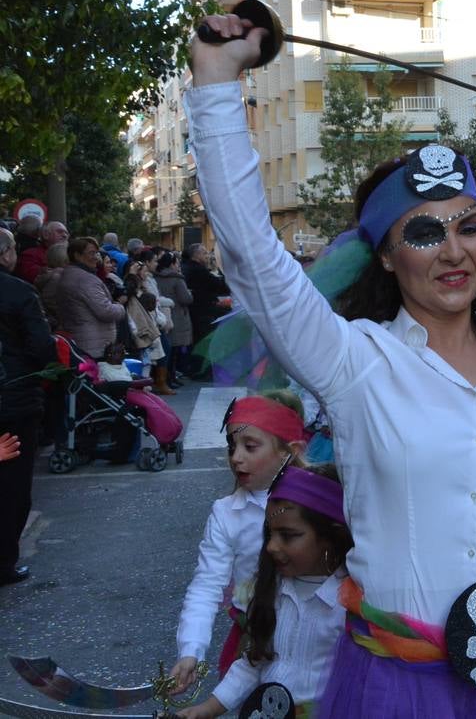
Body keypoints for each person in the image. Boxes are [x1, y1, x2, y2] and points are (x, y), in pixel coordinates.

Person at [190, 16, 476, 716]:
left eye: (469, 226)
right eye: (424, 233)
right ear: (389, 256)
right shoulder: (354, 361)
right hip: (398, 684)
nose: (452, 251)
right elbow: (251, 256)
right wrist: (216, 85)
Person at [177, 464, 352, 719]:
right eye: (269, 533)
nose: (271, 546)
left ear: (330, 536)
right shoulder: (275, 589)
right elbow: (254, 662)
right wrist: (208, 709)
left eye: (288, 535)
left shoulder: (349, 605)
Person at [170, 395, 310, 691]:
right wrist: (190, 650)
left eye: (250, 446)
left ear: (289, 451)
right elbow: (207, 584)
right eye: (232, 446)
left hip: (313, 639)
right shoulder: (226, 513)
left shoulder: (317, 503)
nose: (236, 457)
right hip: (253, 643)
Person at [0, 228, 57, 586]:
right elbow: (41, 348)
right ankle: (4, 561)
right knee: (12, 487)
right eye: (14, 249)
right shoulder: (19, 292)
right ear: (4, 253)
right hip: (12, 401)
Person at [52, 236, 125, 358]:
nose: (96, 258)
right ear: (77, 255)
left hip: (82, 340)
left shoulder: (68, 275)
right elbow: (105, 311)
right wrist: (120, 307)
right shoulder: (85, 280)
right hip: (94, 344)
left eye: (97, 253)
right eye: (92, 253)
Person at [184, 243, 231, 379]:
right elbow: (217, 285)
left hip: (198, 311)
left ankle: (198, 369)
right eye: (204, 253)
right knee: (203, 342)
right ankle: (201, 371)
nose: (207, 256)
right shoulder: (197, 270)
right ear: (196, 255)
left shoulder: (190, 268)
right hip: (202, 312)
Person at [156, 251, 194, 387]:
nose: (178, 265)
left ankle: (168, 377)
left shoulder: (156, 276)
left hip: (162, 315)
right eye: (176, 263)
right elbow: (186, 298)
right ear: (172, 264)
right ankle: (170, 377)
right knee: (175, 349)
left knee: (168, 350)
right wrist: (190, 293)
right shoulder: (177, 278)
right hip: (178, 316)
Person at [16, 220, 68, 284]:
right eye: (60, 232)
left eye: (66, 233)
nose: (65, 235)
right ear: (46, 235)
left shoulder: (73, 254)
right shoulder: (30, 254)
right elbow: (31, 276)